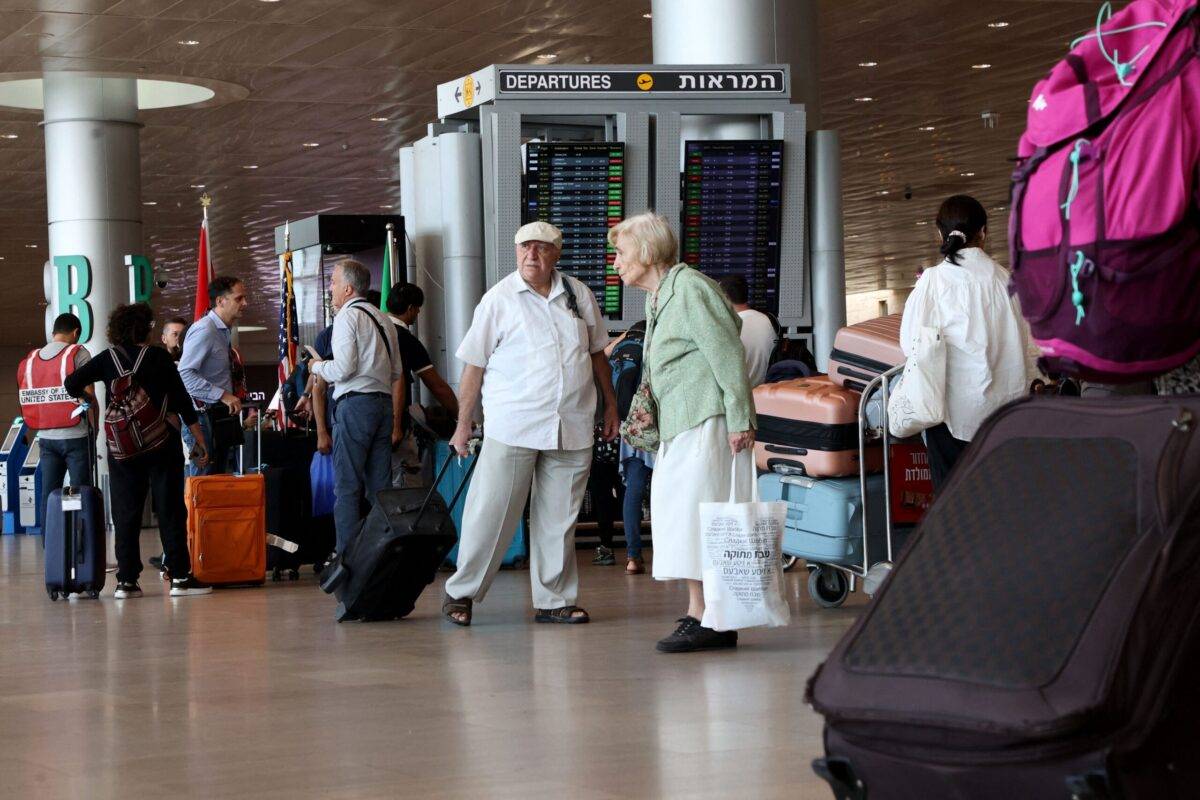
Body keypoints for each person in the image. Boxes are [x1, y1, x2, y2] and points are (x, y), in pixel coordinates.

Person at [441, 221, 618, 627]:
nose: (531, 256)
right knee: (492, 513)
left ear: (557, 253)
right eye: (524, 247)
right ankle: (461, 592)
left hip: (571, 424)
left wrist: (611, 407)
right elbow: (473, 368)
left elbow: (597, 356)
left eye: (540, 249)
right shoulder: (498, 300)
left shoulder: (578, 294)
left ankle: (554, 600)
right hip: (513, 425)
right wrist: (463, 424)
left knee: (559, 519)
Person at [610, 212, 756, 653]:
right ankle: (703, 612)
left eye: (620, 252)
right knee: (684, 517)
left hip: (706, 420)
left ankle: (710, 616)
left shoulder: (689, 288)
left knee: (703, 517)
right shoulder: (659, 297)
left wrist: (740, 417)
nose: (614, 262)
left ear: (647, 252)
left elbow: (727, 352)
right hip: (682, 423)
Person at [63, 303, 213, 598]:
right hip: (161, 443)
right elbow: (182, 400)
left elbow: (71, 382)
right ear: (145, 327)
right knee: (170, 508)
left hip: (122, 448)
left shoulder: (107, 359)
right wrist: (199, 439)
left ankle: (126, 581)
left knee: (125, 512)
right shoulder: (158, 357)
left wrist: (87, 400)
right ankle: (180, 578)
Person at [900, 195, 1033, 490]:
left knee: (951, 510)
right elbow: (1030, 349)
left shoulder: (933, 282)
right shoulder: (1007, 283)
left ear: (940, 233)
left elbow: (911, 345)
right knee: (1000, 508)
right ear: (984, 232)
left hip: (950, 418)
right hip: (1004, 418)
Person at [306, 260, 402, 556]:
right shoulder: (384, 319)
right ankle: (382, 553)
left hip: (354, 405)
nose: (330, 288)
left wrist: (317, 366)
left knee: (346, 488)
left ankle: (347, 558)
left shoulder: (347, 318)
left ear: (348, 288)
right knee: (380, 489)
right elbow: (396, 372)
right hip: (383, 405)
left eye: (333, 282)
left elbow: (344, 368)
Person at [18, 313, 97, 528]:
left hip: (46, 438)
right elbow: (89, 395)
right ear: (76, 333)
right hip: (76, 437)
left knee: (50, 494)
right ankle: (78, 547)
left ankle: (52, 547)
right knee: (77, 492)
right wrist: (94, 429)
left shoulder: (32, 359)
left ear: (53, 333)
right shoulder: (77, 353)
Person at [385, 281, 459, 486]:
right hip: (393, 426)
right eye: (417, 309)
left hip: (362, 421)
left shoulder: (374, 331)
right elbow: (437, 386)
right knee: (405, 487)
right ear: (411, 309)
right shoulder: (405, 339)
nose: (417, 315)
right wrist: (461, 417)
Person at [598, 320, 652, 574]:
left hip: (627, 429)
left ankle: (633, 556)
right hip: (655, 424)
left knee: (632, 490)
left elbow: (600, 355)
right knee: (664, 490)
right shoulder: (652, 347)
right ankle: (666, 551)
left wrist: (622, 337)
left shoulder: (619, 351)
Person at [178, 276, 247, 475]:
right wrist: (223, 395)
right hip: (202, 417)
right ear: (220, 301)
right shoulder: (205, 329)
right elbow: (185, 374)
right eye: (238, 298)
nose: (244, 303)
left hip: (216, 415)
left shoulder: (223, 331)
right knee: (204, 484)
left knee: (217, 482)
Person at [718, 274, 777, 387]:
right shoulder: (766, 320)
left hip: (741, 395)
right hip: (763, 392)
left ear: (725, 297)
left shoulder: (730, 327)